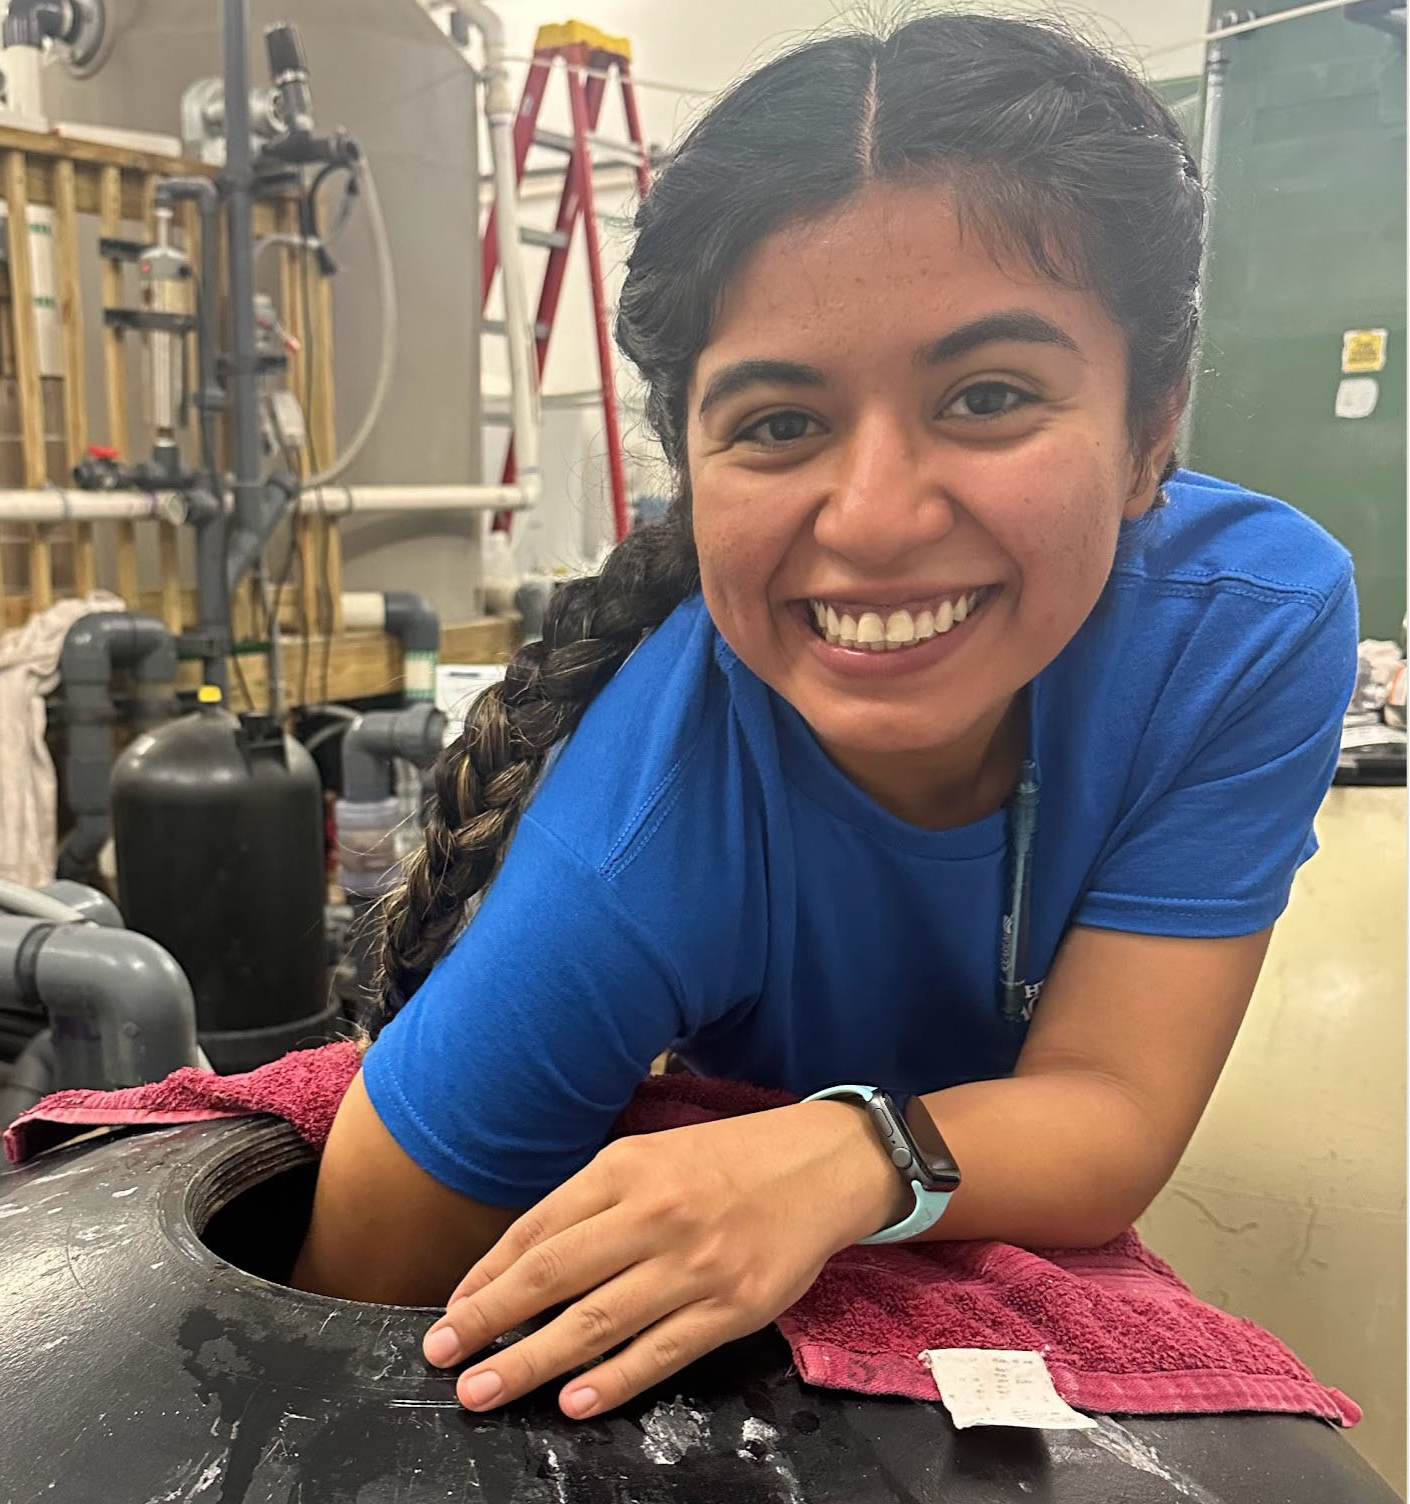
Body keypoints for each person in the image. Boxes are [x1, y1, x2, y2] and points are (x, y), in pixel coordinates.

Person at [292, 12, 1359, 1425]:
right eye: (780, 423)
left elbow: (1112, 1104)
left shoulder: (1241, 629)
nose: (875, 519)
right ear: (692, 464)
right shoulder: (639, 849)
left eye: (986, 397)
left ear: (1151, 425)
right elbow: (347, 1297)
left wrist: (843, 1156)